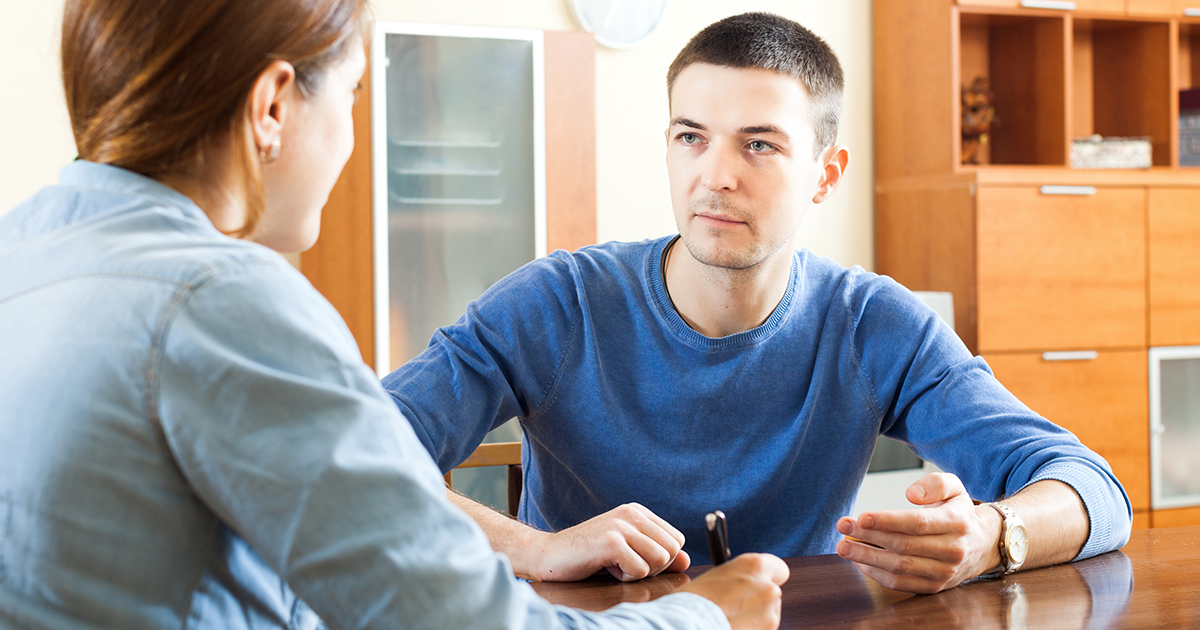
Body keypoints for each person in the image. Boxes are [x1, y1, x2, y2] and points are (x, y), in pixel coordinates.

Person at [0, 1, 790, 628]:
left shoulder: (23, 251)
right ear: (274, 105)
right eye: (350, 95)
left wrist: (535, 550)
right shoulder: (220, 301)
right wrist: (703, 616)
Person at [382, 12, 1133, 595]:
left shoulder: (874, 324)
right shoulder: (560, 301)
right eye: (691, 137)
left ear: (825, 173)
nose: (716, 176)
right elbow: (355, 451)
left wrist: (990, 538)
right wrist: (536, 549)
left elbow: (1094, 490)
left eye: (760, 145)